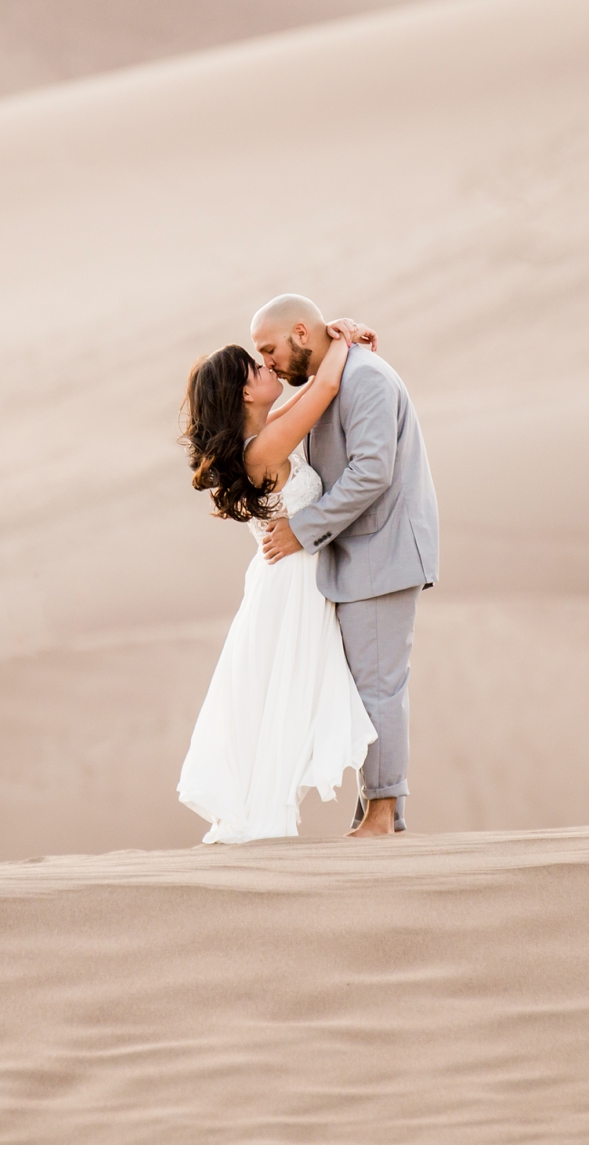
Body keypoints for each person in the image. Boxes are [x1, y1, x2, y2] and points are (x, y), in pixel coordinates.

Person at [175, 317, 379, 843]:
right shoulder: (262, 449)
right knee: (286, 701)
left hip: (290, 580)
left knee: (286, 699)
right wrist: (343, 338)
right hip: (291, 589)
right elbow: (327, 386)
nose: (268, 365)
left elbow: (313, 389)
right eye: (257, 365)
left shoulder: (265, 434)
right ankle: (264, 831)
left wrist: (339, 343)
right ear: (245, 391)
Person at [250, 294, 438, 837]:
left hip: (383, 554)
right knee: (366, 688)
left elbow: (371, 472)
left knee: (378, 688)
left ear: (302, 334)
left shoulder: (368, 379)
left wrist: (303, 531)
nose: (268, 364)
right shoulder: (331, 378)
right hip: (357, 558)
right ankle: (379, 813)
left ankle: (380, 817)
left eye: (270, 349)